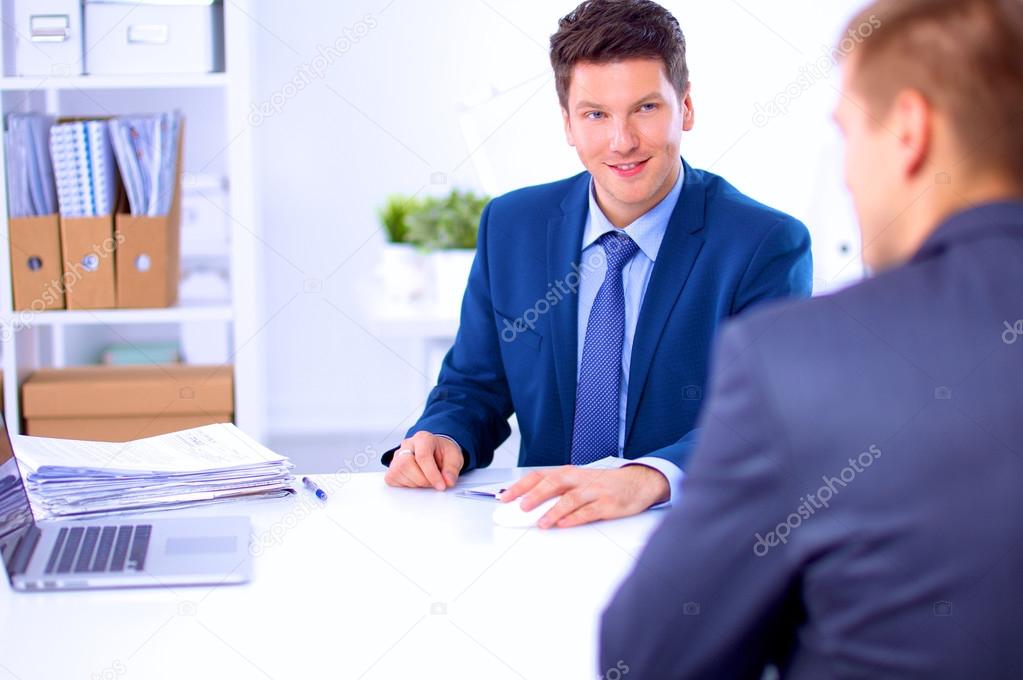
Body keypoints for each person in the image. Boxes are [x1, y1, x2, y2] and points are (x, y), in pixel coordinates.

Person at [600, 0, 1023, 675]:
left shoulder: (798, 359)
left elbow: (650, 657)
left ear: (909, 132)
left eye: (848, 133)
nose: (849, 176)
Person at [383, 0, 812, 528]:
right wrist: (440, 436)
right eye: (595, 115)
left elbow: (768, 415)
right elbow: (473, 386)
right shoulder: (511, 225)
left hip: (685, 531)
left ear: (687, 109)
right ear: (567, 123)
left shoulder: (765, 244)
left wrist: (648, 478)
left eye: (646, 108)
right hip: (542, 530)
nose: (622, 141)